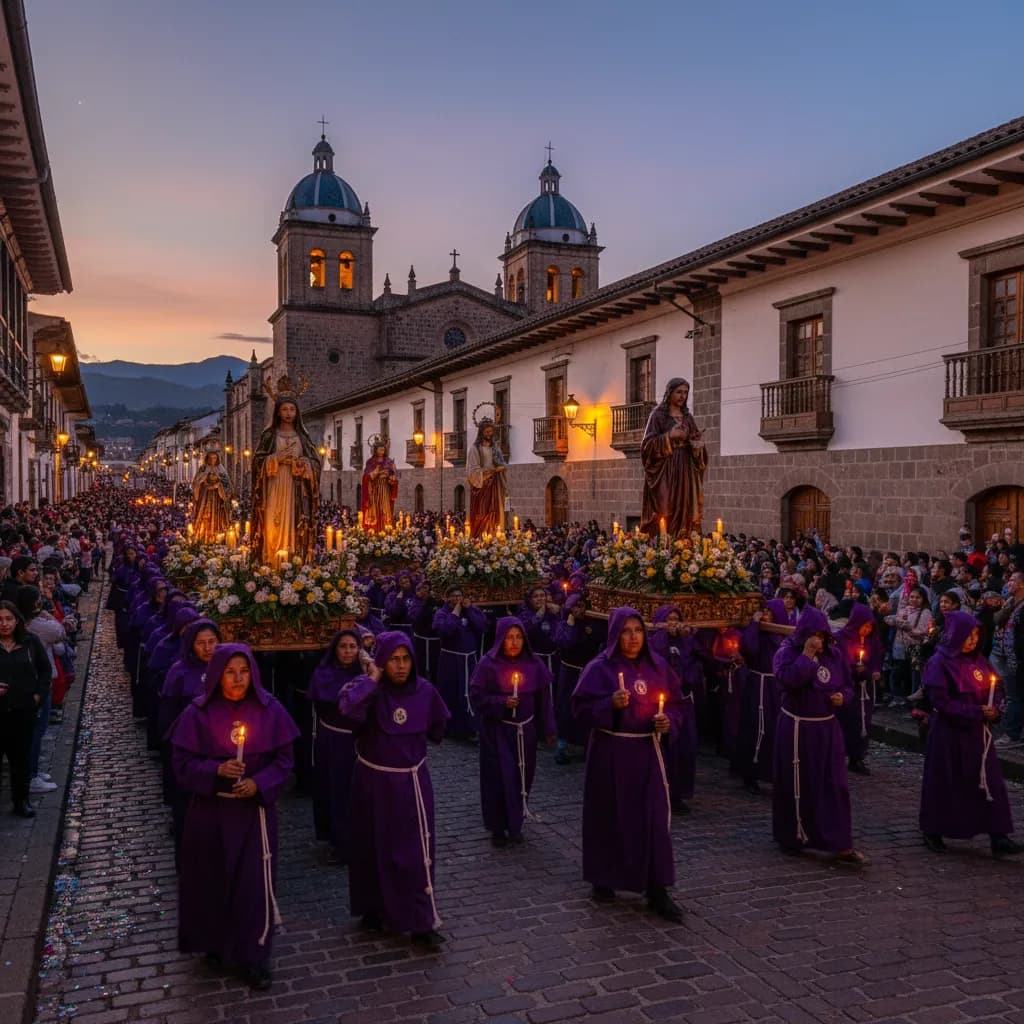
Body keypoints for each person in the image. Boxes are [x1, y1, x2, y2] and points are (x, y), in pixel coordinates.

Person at [170, 644, 299, 991]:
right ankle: (213, 943)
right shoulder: (197, 713)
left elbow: (284, 761)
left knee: (252, 885)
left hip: (252, 814)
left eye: (244, 670)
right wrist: (216, 769)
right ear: (217, 674)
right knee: (209, 880)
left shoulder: (270, 709)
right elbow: (181, 766)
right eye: (230, 671)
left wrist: (259, 782)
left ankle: (253, 954)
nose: (238, 678)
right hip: (210, 813)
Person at [571, 607, 685, 923]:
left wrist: (668, 722)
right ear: (615, 634)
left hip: (646, 752)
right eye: (626, 631)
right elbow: (579, 709)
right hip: (611, 751)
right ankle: (604, 875)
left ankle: (657, 886)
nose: (633, 638)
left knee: (653, 819)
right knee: (609, 815)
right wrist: (609, 704)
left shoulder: (658, 666)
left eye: (638, 630)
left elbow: (676, 704)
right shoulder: (599, 669)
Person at [338, 631, 450, 947]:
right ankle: (373, 907)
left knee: (415, 853)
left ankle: (419, 919)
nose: (400, 666)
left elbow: (438, 728)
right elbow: (347, 710)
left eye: (405, 659)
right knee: (371, 847)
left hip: (411, 784)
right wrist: (371, 680)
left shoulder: (425, 691)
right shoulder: (368, 690)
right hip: (373, 784)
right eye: (392, 660)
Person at [919, 611, 1021, 857]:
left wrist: (995, 708)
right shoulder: (939, 662)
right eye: (968, 635)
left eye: (976, 635)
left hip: (978, 734)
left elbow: (995, 690)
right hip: (949, 734)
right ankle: (934, 829)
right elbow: (941, 701)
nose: (973, 640)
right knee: (946, 781)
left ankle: (998, 835)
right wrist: (975, 711)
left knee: (990, 782)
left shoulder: (979, 661)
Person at [771, 608, 865, 865]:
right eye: (813, 635)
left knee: (834, 784)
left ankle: (839, 841)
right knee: (798, 782)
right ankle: (793, 834)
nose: (818, 641)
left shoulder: (834, 655)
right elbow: (788, 681)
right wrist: (807, 656)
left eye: (822, 636)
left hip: (826, 728)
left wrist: (842, 697)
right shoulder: (786, 653)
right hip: (797, 728)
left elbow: (847, 685)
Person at [469, 618, 556, 847]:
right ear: (500, 639)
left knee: (521, 776)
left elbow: (544, 701)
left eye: (518, 637)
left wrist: (548, 728)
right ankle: (498, 827)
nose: (514, 642)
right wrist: (501, 702)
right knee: (497, 778)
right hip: (497, 731)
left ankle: (516, 823)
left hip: (524, 731)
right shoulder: (488, 664)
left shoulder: (534, 663)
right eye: (509, 637)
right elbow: (477, 697)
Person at [250, 378, 322, 565]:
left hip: (296, 487)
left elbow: (315, 462)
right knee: (273, 520)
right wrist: (276, 459)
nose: (288, 413)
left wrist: (304, 464)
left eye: (292, 409)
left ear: (297, 412)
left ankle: (293, 559)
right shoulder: (269, 436)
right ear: (278, 412)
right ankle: (271, 561)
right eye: (284, 409)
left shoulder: (303, 437)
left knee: (294, 521)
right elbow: (257, 463)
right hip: (273, 485)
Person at [308, 628, 363, 864]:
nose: (348, 652)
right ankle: (338, 840)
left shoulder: (366, 672)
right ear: (335, 649)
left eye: (353, 646)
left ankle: (361, 840)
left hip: (360, 743)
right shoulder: (325, 672)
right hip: (333, 740)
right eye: (343, 646)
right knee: (335, 790)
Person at [0, 601, 52, 818]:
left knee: (20, 758)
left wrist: (37, 695)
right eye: (0, 620)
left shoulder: (30, 642)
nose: (4, 624)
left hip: (23, 710)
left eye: (8, 619)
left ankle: (21, 800)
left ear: (17, 620)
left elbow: (45, 670)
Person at [640, 378, 707, 538]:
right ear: (669, 393)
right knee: (664, 509)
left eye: (685, 392)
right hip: (665, 469)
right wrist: (670, 436)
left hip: (685, 468)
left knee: (685, 508)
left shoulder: (688, 417)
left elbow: (697, 444)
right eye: (679, 392)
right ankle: (662, 543)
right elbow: (646, 446)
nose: (682, 396)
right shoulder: (657, 415)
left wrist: (697, 446)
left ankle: (682, 541)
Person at [834, 603, 883, 776]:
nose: (867, 630)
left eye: (870, 627)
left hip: (865, 688)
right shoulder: (841, 638)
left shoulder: (871, 640)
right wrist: (853, 669)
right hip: (849, 687)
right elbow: (838, 660)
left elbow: (876, 657)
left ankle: (857, 756)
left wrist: (874, 670)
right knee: (847, 721)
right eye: (865, 626)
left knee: (863, 722)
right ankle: (839, 755)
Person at [433, 588, 488, 739]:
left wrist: (469, 610)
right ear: (447, 598)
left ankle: (471, 727)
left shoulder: (470, 610)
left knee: (469, 692)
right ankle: (449, 727)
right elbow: (446, 630)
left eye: (460, 596)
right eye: (453, 596)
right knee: (450, 691)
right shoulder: (441, 614)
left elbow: (482, 626)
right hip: (450, 660)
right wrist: (455, 613)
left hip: (469, 659)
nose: (457, 599)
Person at [467, 418, 508, 537]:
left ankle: (494, 533)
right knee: (482, 510)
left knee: (494, 509)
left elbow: (501, 463)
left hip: (494, 483)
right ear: (481, 433)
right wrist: (487, 472)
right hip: (481, 484)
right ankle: (481, 534)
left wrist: (501, 468)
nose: (489, 434)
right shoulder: (475, 449)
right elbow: (473, 469)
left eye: (491, 432)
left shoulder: (495, 448)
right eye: (487, 432)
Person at [191, 450, 232, 544]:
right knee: (203, 514)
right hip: (205, 496)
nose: (212, 460)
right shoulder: (203, 469)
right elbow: (196, 482)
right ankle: (202, 535)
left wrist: (218, 485)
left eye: (214, 458)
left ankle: (217, 535)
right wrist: (203, 482)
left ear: (217, 459)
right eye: (210, 458)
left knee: (217, 516)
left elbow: (227, 485)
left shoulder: (221, 470)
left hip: (217, 497)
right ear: (207, 459)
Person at [360, 436, 399, 533]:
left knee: (385, 510)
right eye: (380, 449)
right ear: (375, 450)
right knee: (374, 511)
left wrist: (391, 478)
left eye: (383, 449)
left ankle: (386, 529)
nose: (382, 451)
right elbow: (366, 477)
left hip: (385, 489)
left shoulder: (389, 461)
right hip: (374, 490)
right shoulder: (370, 462)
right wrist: (375, 473)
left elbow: (393, 476)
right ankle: (374, 530)